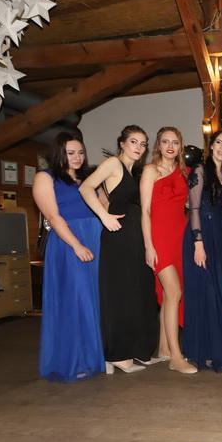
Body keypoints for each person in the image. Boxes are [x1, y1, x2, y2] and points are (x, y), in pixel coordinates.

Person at [80, 125, 158, 374]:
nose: (139, 147)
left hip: (134, 238)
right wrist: (104, 216)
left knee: (136, 293)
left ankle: (135, 350)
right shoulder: (114, 163)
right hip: (119, 237)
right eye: (134, 141)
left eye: (143, 144)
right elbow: (85, 187)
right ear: (122, 143)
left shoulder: (133, 172)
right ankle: (117, 354)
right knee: (120, 295)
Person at [34, 132, 104, 381]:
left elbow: (103, 207)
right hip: (69, 242)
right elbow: (53, 217)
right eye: (70, 153)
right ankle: (74, 360)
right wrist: (76, 245)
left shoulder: (87, 179)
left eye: (80, 152)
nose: (77, 157)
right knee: (75, 301)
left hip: (95, 237)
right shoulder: (45, 177)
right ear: (59, 153)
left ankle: (93, 357)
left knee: (94, 300)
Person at [182, 128, 222, 372]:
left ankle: (217, 348)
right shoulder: (199, 170)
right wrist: (198, 242)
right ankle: (204, 352)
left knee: (221, 292)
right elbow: (194, 209)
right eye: (219, 142)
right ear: (211, 145)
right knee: (206, 293)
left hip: (219, 236)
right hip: (203, 235)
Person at [139, 127, 196, 374]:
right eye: (165, 142)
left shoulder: (184, 172)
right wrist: (148, 245)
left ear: (180, 146)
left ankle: (163, 348)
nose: (170, 146)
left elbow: (190, 205)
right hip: (159, 238)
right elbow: (145, 211)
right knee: (174, 292)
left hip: (180, 238)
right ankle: (176, 356)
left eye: (175, 142)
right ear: (158, 145)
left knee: (167, 295)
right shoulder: (150, 170)